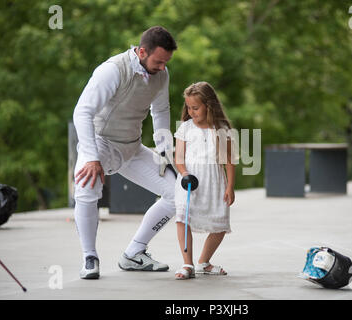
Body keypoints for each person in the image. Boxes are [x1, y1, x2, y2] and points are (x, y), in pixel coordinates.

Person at [72, 26, 177, 279]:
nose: (162, 67)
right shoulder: (112, 70)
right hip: (100, 143)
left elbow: (161, 112)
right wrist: (92, 157)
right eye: (158, 61)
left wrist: (165, 154)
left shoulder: (162, 74)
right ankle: (90, 257)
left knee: (178, 194)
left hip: (133, 146)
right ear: (142, 51)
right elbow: (82, 112)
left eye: (166, 62)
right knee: (86, 187)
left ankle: (134, 253)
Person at [173, 82, 236, 280]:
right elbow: (179, 159)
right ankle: (187, 263)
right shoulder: (185, 128)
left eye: (195, 107)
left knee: (220, 222)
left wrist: (230, 186)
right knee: (183, 218)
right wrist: (184, 174)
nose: (191, 112)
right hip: (189, 180)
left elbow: (229, 160)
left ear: (209, 106)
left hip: (214, 181)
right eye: (188, 107)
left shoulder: (222, 128)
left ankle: (203, 262)